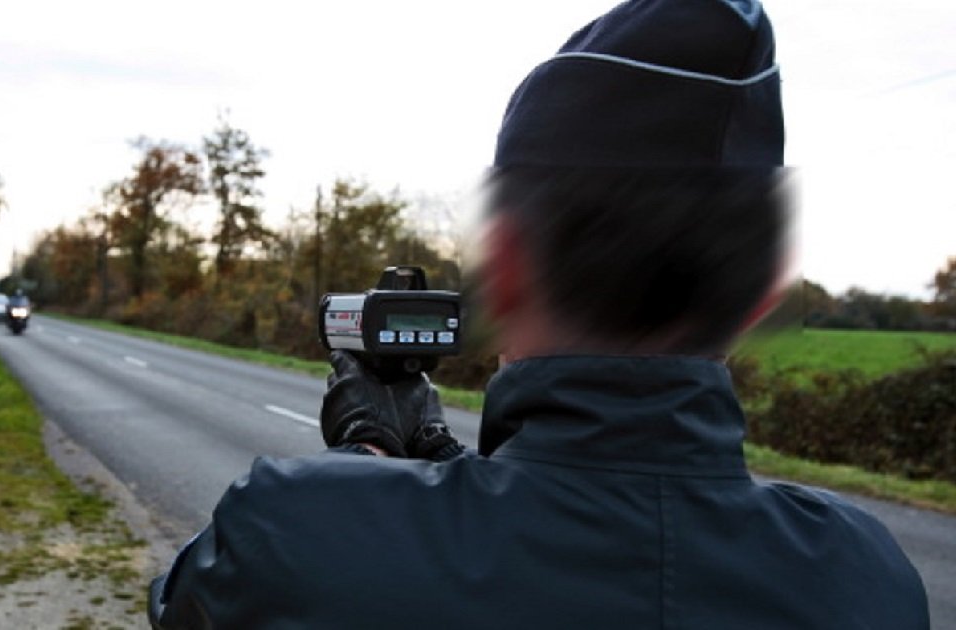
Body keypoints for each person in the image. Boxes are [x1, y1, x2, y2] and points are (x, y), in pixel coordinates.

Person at [148, 0, 930, 627]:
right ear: (764, 297)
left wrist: (369, 464)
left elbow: (182, 598)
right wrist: (445, 468)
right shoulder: (869, 577)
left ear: (506, 264)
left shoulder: (295, 530)